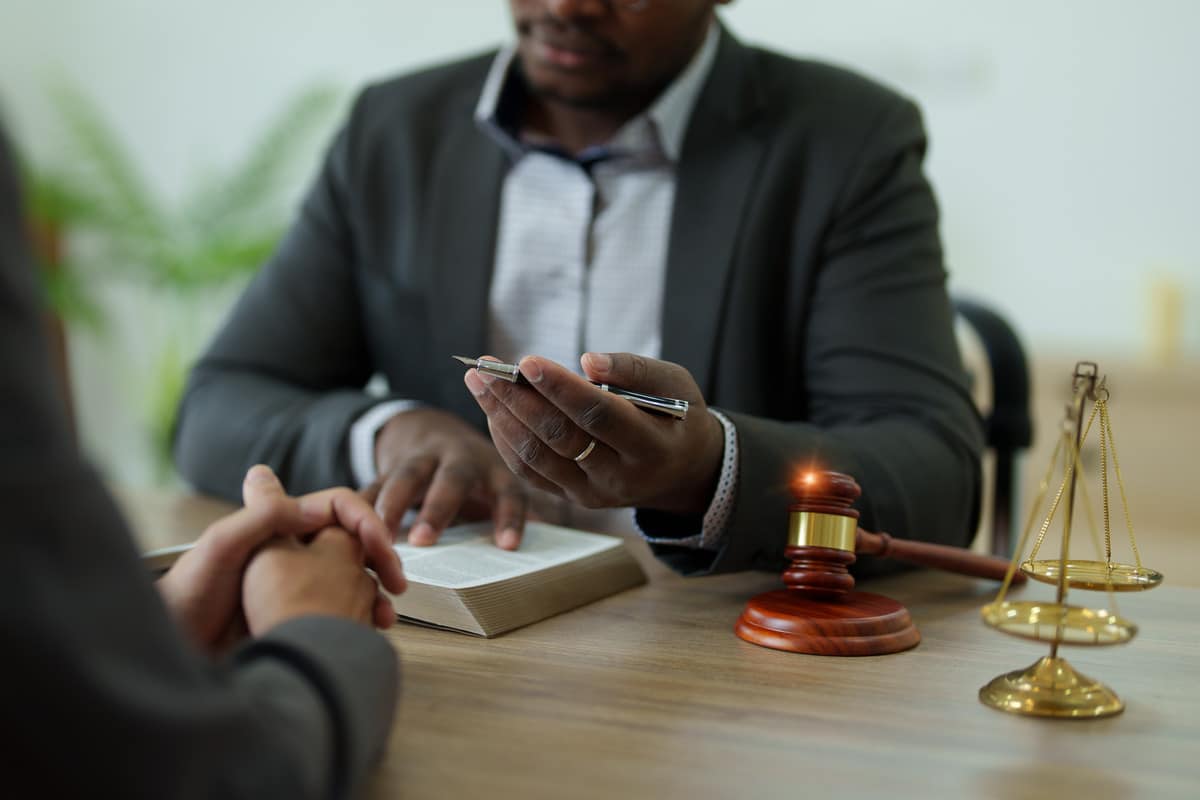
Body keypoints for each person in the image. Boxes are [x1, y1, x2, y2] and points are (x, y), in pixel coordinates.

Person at [175, 0, 984, 577]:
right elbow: (217, 406)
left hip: (715, 676)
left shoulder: (844, 142)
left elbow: (936, 472)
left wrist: (707, 469)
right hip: (454, 645)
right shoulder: (396, 131)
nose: (567, 6)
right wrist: (391, 432)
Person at [0, 125, 406, 795]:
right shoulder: (395, 129)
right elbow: (225, 781)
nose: (568, 9)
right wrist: (315, 633)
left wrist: (156, 631)